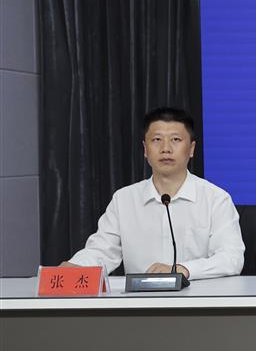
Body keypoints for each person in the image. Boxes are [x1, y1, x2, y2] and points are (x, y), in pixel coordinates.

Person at [63, 107, 244, 279]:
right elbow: (101, 251)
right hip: (139, 300)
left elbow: (231, 258)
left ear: (191, 149)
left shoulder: (215, 199)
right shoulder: (124, 200)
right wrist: (76, 266)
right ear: (145, 149)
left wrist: (184, 269)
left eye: (175, 140)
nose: (166, 148)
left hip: (200, 299)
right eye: (157, 140)